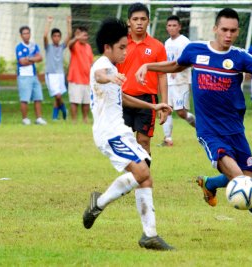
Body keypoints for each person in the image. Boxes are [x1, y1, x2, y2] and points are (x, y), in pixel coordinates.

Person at [136, 8, 252, 242]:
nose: (228, 35)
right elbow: (177, 65)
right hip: (209, 130)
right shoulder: (195, 50)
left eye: (233, 31)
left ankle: (209, 183)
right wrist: (150, 66)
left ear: (238, 32)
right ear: (215, 28)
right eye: (224, 29)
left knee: (251, 178)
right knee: (242, 181)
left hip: (235, 130)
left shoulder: (241, 57)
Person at [83, 18, 174, 251]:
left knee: (146, 175)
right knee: (143, 170)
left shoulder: (112, 68)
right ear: (107, 48)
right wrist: (109, 77)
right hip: (110, 133)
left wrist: (153, 107)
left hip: (119, 131)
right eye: (122, 47)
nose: (125, 51)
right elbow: (100, 76)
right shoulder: (102, 65)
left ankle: (149, 235)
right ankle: (99, 202)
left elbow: (121, 98)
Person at [117, 2, 169, 157]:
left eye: (143, 19)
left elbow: (162, 75)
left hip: (148, 100)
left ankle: (144, 179)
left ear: (148, 21)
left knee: (143, 141)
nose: (139, 22)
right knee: (123, 141)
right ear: (129, 21)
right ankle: (130, 177)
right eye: (135, 19)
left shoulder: (157, 46)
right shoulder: (120, 44)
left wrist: (164, 104)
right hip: (123, 98)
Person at [158, 15, 195, 147]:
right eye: (169, 25)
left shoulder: (185, 42)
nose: (172, 28)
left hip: (181, 82)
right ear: (166, 27)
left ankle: (201, 129)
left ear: (179, 27)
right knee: (165, 108)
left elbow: (191, 61)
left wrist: (177, 69)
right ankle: (167, 139)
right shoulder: (167, 43)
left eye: (174, 25)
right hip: (168, 82)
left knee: (181, 112)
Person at [16, 26, 47, 125]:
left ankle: (39, 118)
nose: (27, 35)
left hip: (33, 75)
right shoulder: (19, 47)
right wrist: (33, 59)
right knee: (24, 98)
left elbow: (40, 57)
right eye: (24, 33)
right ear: (21, 35)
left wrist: (29, 59)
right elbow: (22, 61)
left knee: (38, 97)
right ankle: (25, 119)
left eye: (28, 33)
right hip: (23, 76)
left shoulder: (34, 45)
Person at [43, 15, 72, 120]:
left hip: (60, 74)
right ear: (52, 37)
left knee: (57, 97)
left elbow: (69, 35)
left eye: (58, 36)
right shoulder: (48, 47)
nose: (56, 38)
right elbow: (44, 36)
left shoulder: (61, 47)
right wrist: (49, 22)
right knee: (58, 96)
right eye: (54, 36)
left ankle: (54, 117)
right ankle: (64, 110)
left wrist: (68, 22)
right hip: (51, 74)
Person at [67, 26, 94, 123]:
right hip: (75, 78)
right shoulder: (75, 44)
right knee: (75, 101)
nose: (86, 37)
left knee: (86, 102)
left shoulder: (88, 47)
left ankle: (85, 119)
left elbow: (91, 62)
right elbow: (69, 45)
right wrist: (76, 38)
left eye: (87, 35)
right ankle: (74, 120)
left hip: (87, 79)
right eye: (84, 35)